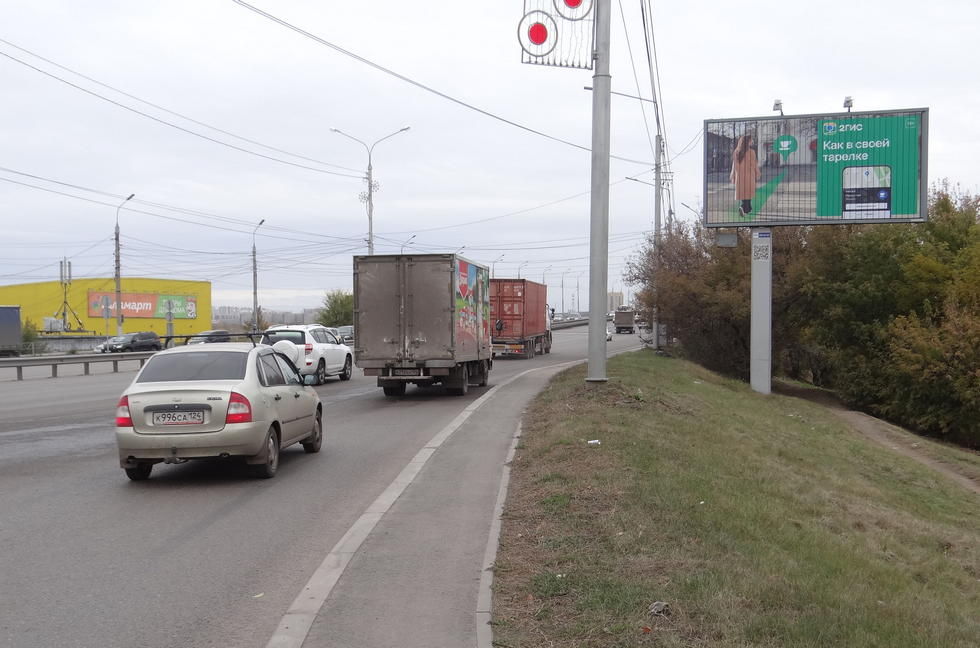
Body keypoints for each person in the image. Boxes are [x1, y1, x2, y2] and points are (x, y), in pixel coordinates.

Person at [730, 134, 761, 215]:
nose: (752, 141)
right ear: (748, 142)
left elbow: (734, 165)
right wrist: (758, 173)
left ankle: (748, 209)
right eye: (751, 140)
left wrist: (733, 176)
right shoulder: (751, 152)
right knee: (748, 193)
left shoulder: (736, 152)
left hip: (739, 177)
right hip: (749, 176)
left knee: (743, 193)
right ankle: (743, 208)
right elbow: (754, 164)